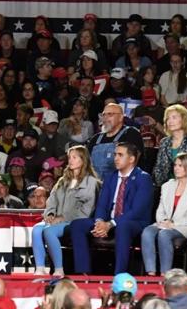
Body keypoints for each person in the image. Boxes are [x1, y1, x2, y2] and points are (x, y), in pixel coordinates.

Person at [67, 142, 152, 274]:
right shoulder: (110, 177)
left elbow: (137, 211)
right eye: (115, 155)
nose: (115, 158)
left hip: (134, 222)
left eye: (120, 155)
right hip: (108, 221)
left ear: (131, 159)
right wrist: (100, 222)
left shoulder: (143, 178)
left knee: (123, 226)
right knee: (77, 225)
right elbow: (101, 204)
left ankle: (119, 274)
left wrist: (110, 224)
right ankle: (83, 273)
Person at [31, 146, 100, 275]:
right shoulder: (63, 181)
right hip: (56, 219)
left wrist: (63, 218)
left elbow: (86, 209)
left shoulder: (91, 182)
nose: (71, 160)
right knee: (36, 229)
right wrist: (50, 214)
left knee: (49, 231)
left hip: (74, 221)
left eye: (75, 157)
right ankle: (39, 268)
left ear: (83, 160)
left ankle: (59, 269)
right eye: (69, 157)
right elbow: (52, 200)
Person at [142, 152, 187, 276]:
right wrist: (163, 221)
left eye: (180, 165)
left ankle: (165, 274)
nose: (176, 168)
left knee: (164, 235)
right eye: (175, 165)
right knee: (147, 232)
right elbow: (160, 209)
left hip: (185, 226)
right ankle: (150, 272)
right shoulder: (167, 185)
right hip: (165, 223)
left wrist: (173, 224)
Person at [151, 104, 187, 187]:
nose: (170, 121)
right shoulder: (164, 142)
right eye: (168, 118)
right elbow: (158, 168)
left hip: (186, 188)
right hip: (164, 187)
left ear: (183, 120)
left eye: (174, 117)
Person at [88, 102, 142, 178]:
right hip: (96, 185)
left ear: (120, 117)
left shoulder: (131, 134)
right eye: (103, 115)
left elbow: (132, 163)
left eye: (110, 114)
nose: (105, 118)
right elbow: (86, 165)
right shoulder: (95, 139)